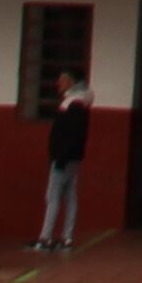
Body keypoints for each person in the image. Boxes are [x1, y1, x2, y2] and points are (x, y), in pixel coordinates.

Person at [37, 74, 92, 256]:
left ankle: (46, 237)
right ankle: (66, 237)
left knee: (53, 196)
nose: (57, 83)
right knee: (70, 196)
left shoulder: (72, 105)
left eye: (61, 80)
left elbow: (69, 134)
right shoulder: (82, 104)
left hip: (64, 158)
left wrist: (60, 156)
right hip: (74, 158)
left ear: (70, 82)